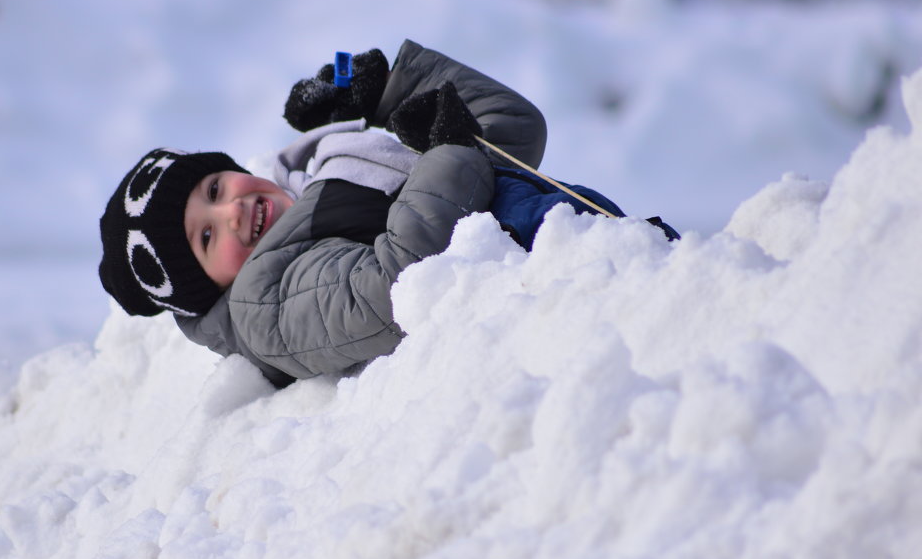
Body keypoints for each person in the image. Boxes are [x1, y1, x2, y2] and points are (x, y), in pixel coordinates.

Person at [98, 40, 677, 387]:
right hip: (577, 320)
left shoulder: (328, 169)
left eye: (217, 186)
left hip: (616, 263)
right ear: (204, 287)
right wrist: (447, 151)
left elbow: (514, 129)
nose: (232, 211)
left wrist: (386, 94)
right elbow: (393, 291)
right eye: (204, 237)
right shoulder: (262, 303)